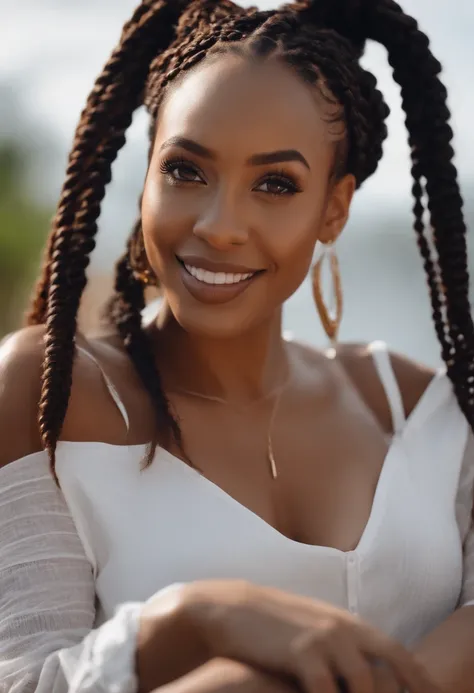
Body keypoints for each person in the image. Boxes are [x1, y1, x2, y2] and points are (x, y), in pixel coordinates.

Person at [1, 0, 473, 691]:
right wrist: (195, 617)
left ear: (334, 210)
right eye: (186, 171)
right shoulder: (53, 391)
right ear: (147, 177)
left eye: (276, 184)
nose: (221, 226)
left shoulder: (417, 406)